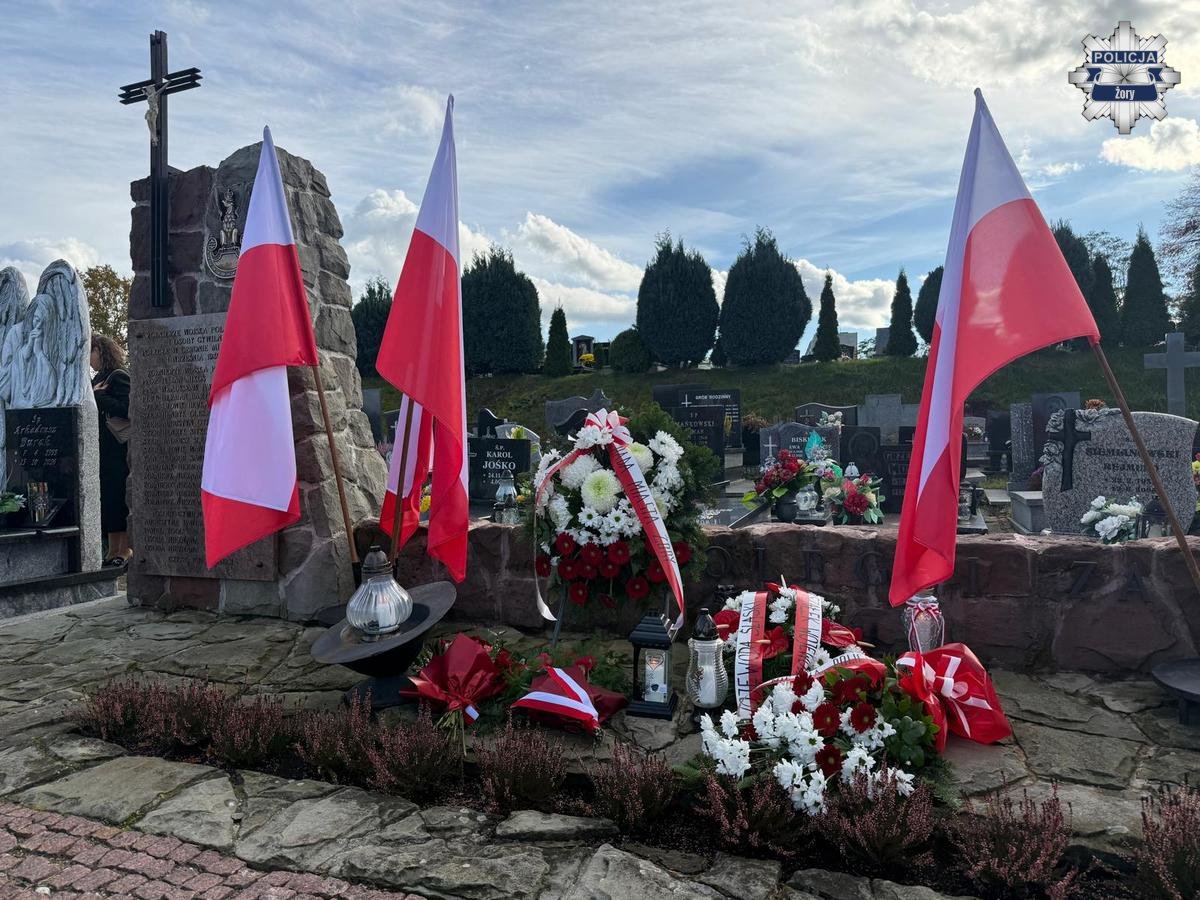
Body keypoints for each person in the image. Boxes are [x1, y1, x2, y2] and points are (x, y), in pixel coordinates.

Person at [91, 334, 131, 567]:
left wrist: (100, 396)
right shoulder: (98, 378)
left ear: (100, 350)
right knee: (108, 500)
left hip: (118, 449)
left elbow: (128, 409)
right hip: (103, 450)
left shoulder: (119, 376)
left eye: (90, 352)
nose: (88, 359)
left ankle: (125, 550)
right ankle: (112, 550)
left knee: (119, 498)